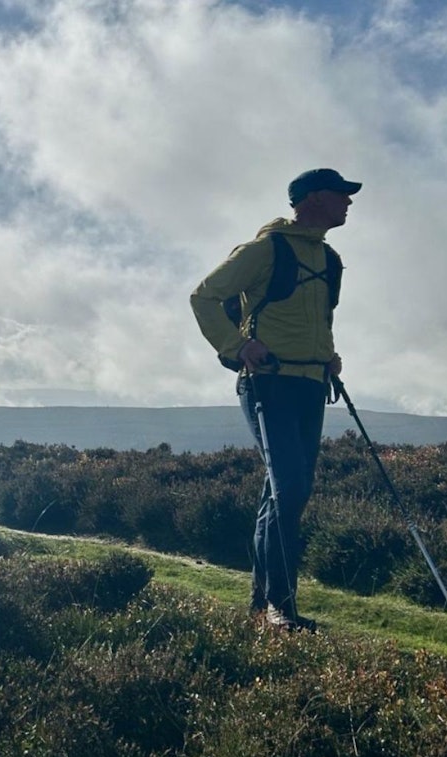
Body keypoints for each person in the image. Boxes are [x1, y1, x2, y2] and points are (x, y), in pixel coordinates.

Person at [189, 168, 362, 631]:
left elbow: (318, 322)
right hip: (268, 383)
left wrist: (329, 357)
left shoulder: (329, 259)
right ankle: (280, 608)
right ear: (312, 199)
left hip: (310, 385)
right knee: (291, 489)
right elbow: (204, 297)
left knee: (282, 490)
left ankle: (262, 604)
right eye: (340, 194)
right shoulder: (264, 250)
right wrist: (238, 347)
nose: (348, 202)